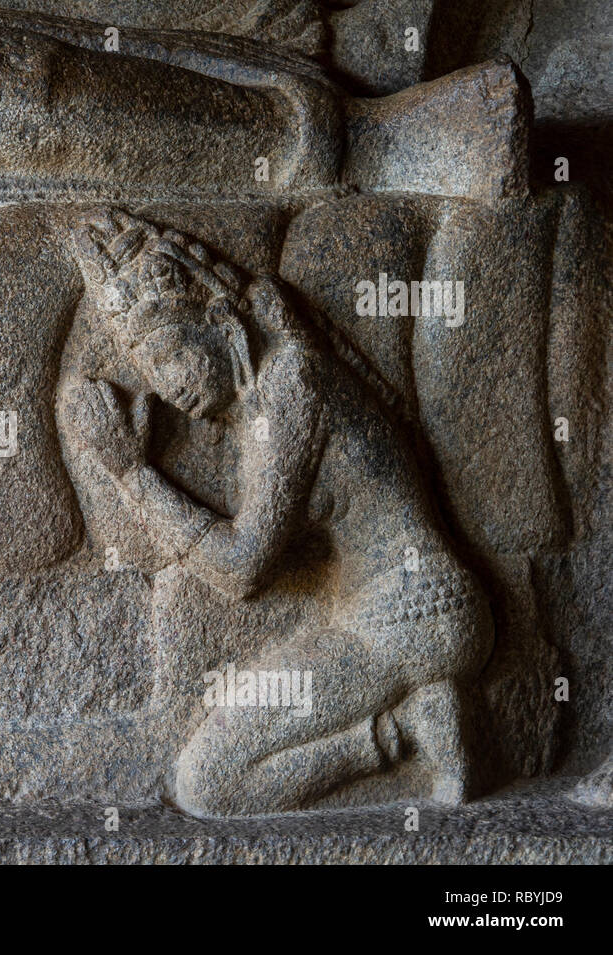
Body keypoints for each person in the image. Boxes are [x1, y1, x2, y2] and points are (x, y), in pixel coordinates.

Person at [67, 209, 493, 815]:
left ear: (221, 322)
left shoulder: (293, 383)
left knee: (208, 784)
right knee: (210, 778)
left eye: (168, 355)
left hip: (408, 616)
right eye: (148, 373)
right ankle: (415, 721)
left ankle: (404, 732)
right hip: (390, 613)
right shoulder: (277, 389)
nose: (166, 388)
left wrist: (131, 473)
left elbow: (244, 570)